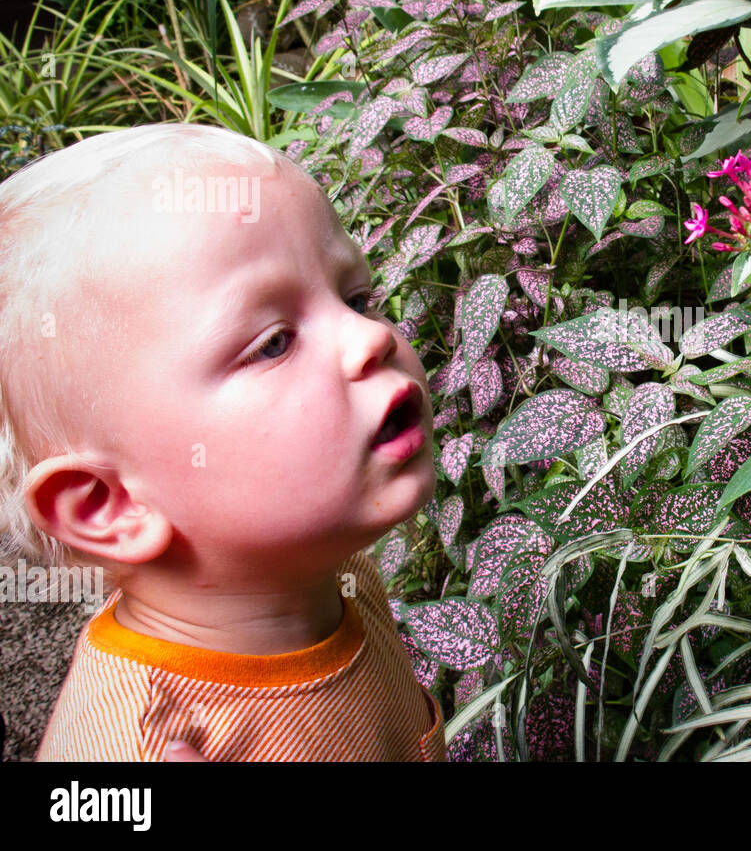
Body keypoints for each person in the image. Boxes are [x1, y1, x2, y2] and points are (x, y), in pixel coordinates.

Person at [0, 124, 446, 760]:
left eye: (357, 297)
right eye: (272, 342)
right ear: (111, 506)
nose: (369, 337)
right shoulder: (138, 751)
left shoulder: (339, 578)